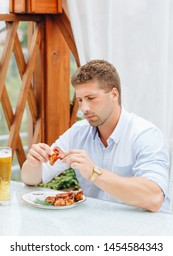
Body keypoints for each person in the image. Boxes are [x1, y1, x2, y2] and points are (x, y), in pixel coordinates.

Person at [21, 59, 170, 212]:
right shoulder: (78, 133)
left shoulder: (145, 135)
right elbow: (31, 179)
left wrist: (94, 172)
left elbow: (154, 198)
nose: (84, 108)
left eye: (91, 98)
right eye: (80, 100)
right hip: (96, 227)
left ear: (114, 94)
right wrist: (33, 163)